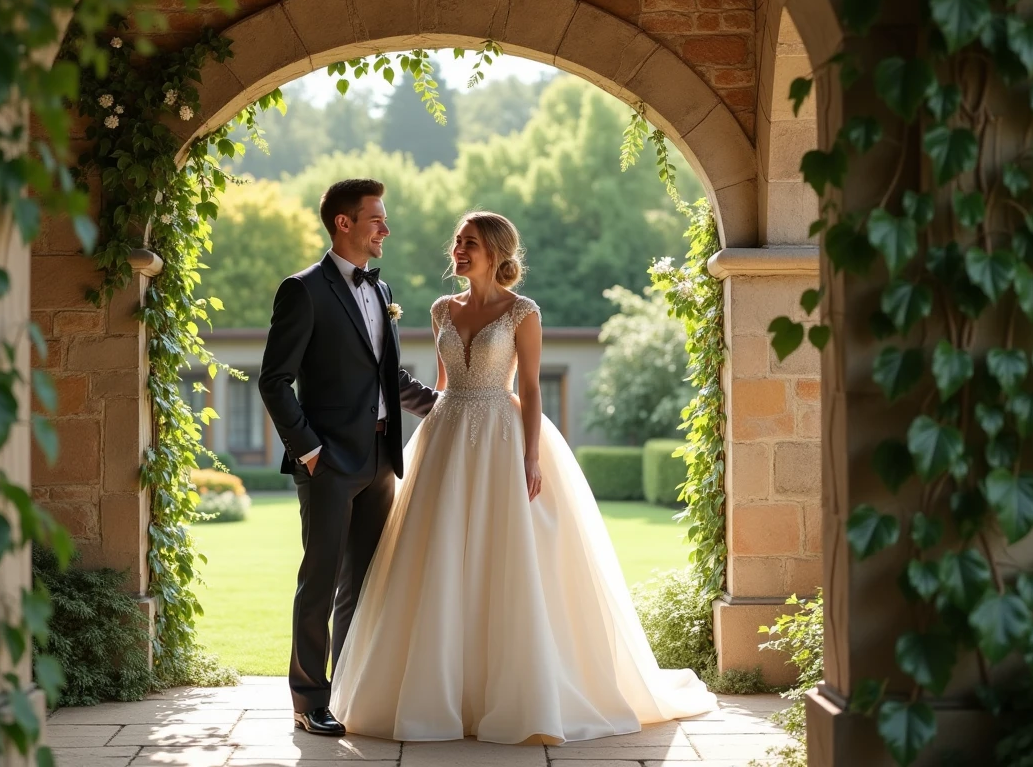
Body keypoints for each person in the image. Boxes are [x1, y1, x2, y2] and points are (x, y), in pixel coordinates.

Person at [330, 211, 718, 744]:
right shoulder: (442, 308)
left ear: (494, 251)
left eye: (469, 243)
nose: (458, 250)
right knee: (437, 555)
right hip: (445, 434)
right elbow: (442, 384)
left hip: (503, 435)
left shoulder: (523, 312)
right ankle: (438, 692)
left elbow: (532, 389)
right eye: (457, 242)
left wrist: (532, 457)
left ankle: (513, 692)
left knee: (504, 555)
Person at [258, 178, 438, 736]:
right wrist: (310, 451)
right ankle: (308, 699)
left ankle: (349, 690)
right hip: (330, 465)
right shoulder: (303, 290)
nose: (385, 228)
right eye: (376, 219)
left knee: (363, 583)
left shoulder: (381, 293)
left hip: (382, 461)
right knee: (320, 581)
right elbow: (274, 381)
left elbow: (389, 376)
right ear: (344, 223)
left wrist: (448, 407)